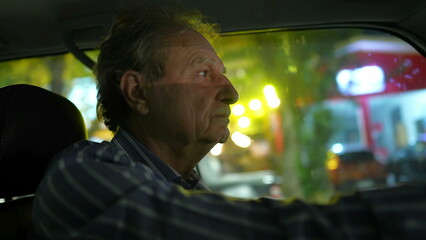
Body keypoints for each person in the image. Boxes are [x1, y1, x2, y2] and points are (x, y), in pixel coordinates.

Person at [33, 1, 426, 239]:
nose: (231, 93)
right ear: (138, 92)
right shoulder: (81, 173)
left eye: (223, 74)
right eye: (203, 74)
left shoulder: (186, 189)